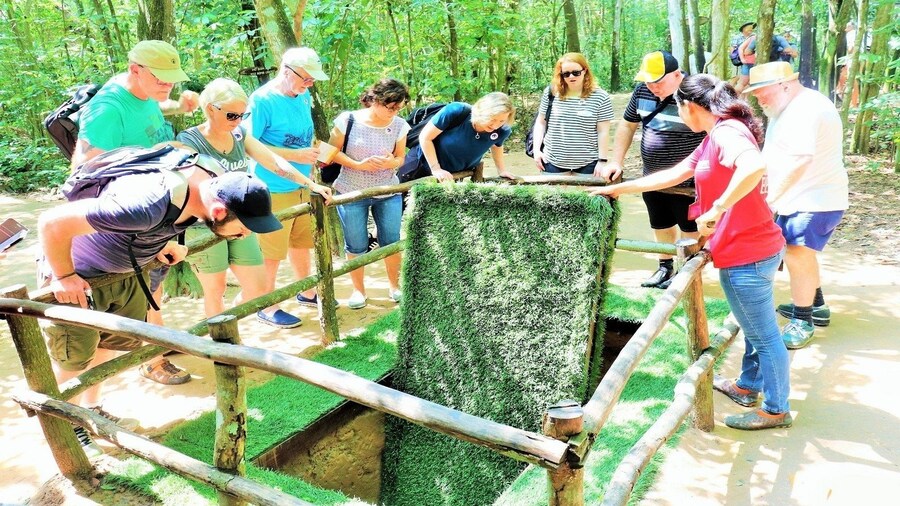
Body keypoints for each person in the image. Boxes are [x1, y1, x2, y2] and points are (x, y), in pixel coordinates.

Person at [39, 162, 284, 456]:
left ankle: (91, 410)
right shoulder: (145, 204)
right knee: (73, 359)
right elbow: (52, 222)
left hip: (125, 273)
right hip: (79, 276)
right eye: (243, 229)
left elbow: (155, 225)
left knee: (106, 346)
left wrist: (159, 244)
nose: (244, 236)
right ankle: (68, 428)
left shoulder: (202, 188)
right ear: (219, 212)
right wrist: (64, 276)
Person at [593, 74, 791, 431]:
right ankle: (748, 386)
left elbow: (752, 166)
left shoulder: (727, 133)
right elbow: (675, 173)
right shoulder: (716, 134)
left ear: (689, 107)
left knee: (764, 336)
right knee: (754, 326)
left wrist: (716, 209)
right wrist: (621, 188)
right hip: (747, 248)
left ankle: (776, 409)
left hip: (749, 252)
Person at [72, 39, 199, 385]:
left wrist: (177, 107)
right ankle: (152, 359)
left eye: (173, 79)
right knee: (141, 294)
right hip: (130, 218)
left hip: (155, 212)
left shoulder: (144, 92)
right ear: (135, 70)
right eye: (161, 79)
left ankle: (152, 350)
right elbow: (86, 167)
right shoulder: (106, 109)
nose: (168, 85)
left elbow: (149, 111)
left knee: (152, 290)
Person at [176, 78, 332, 325]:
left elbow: (272, 160)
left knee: (257, 287)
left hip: (241, 221)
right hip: (205, 223)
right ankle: (225, 350)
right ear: (210, 109)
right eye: (231, 115)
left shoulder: (239, 133)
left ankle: (243, 315)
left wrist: (310, 184)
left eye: (242, 114)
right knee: (215, 290)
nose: (237, 120)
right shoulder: (189, 141)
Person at [745, 61, 848, 349]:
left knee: (796, 254)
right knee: (800, 254)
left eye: (763, 92)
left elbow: (801, 159)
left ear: (785, 84)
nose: (759, 98)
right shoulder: (786, 107)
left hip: (814, 198)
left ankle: (803, 320)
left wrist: (772, 199)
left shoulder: (805, 109)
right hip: (801, 198)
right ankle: (816, 305)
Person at [599, 51, 705, 289]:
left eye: (658, 81)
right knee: (660, 223)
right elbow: (627, 126)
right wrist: (616, 160)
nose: (652, 86)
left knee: (690, 228)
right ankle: (665, 267)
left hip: (689, 182)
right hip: (652, 179)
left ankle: (686, 271)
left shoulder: (696, 93)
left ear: (677, 75)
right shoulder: (642, 92)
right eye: (647, 81)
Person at [246, 47, 328, 328]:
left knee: (301, 243)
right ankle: (267, 306)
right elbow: (247, 145)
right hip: (271, 188)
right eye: (306, 78)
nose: (310, 84)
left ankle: (306, 291)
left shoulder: (302, 95)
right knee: (271, 253)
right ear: (287, 71)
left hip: (301, 183)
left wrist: (310, 155)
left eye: (312, 80)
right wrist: (295, 155)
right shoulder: (261, 101)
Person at [326, 79, 410, 309]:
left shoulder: (400, 125)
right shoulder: (347, 120)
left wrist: (389, 162)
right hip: (351, 190)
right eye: (389, 107)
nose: (393, 112)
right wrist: (358, 164)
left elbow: (400, 157)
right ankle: (358, 291)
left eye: (398, 107)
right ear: (374, 100)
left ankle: (395, 287)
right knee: (356, 244)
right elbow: (329, 152)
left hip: (388, 189)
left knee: (391, 240)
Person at [398, 92, 515, 183]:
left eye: (501, 121)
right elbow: (425, 137)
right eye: (492, 119)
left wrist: (502, 170)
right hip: (419, 165)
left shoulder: (502, 130)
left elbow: (496, 146)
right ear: (482, 111)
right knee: (399, 203)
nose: (495, 125)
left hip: (452, 176)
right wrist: (436, 168)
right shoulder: (457, 111)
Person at [531, 52, 614, 176]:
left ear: (585, 70)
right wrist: (536, 151)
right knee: (554, 196)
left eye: (576, 72)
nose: (571, 77)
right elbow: (541, 122)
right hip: (552, 160)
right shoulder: (551, 92)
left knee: (588, 195)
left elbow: (603, 131)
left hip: (588, 162)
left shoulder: (600, 96)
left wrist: (602, 160)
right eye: (566, 74)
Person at [730, 22, 756, 89]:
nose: (751, 29)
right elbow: (732, 49)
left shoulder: (753, 37)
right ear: (744, 29)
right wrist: (734, 59)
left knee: (746, 79)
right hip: (738, 60)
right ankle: (728, 91)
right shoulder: (737, 37)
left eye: (752, 28)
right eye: (749, 28)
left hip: (749, 61)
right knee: (735, 77)